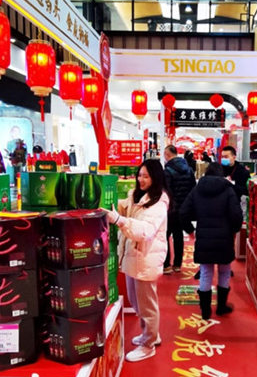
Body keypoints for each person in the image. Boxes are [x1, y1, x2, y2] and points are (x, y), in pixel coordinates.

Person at [102, 159, 169, 362]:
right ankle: (151, 334)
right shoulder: (136, 196)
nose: (141, 179)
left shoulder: (159, 203)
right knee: (136, 301)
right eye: (139, 175)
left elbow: (145, 231)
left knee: (147, 305)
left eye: (146, 176)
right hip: (133, 257)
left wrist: (118, 220)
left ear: (155, 178)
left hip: (146, 259)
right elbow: (123, 207)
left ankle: (149, 345)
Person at [180, 162, 243, 320]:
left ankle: (205, 310)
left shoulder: (197, 190)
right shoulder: (228, 190)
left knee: (206, 272)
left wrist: (190, 230)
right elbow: (237, 215)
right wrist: (233, 231)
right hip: (224, 239)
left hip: (204, 238)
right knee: (224, 271)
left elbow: (183, 213)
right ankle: (221, 307)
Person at [163, 145, 196, 274]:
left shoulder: (167, 171)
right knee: (178, 235)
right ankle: (177, 264)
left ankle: (166, 265)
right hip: (183, 208)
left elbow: (166, 191)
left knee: (166, 235)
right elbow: (193, 189)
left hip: (170, 208)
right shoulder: (189, 170)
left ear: (167, 154)